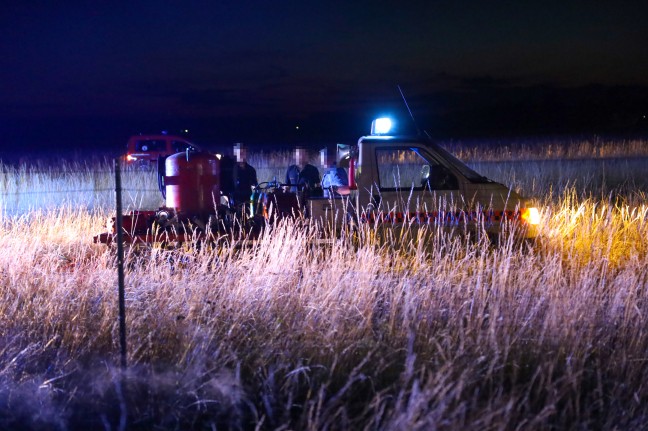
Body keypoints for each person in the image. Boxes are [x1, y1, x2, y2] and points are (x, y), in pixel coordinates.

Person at [232, 143, 257, 212]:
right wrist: (230, 201)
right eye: (239, 153)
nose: (241, 155)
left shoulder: (251, 170)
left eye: (243, 153)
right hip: (234, 203)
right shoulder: (231, 169)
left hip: (248, 202)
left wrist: (258, 191)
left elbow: (254, 185)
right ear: (235, 154)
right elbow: (225, 189)